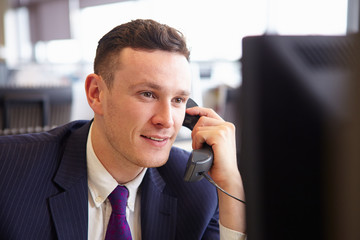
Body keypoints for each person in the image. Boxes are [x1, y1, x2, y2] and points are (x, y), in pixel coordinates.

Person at [0, 19, 245, 239]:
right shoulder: (8, 171)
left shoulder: (198, 189)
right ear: (96, 94)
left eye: (178, 100)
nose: (167, 120)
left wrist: (231, 182)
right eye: (148, 94)